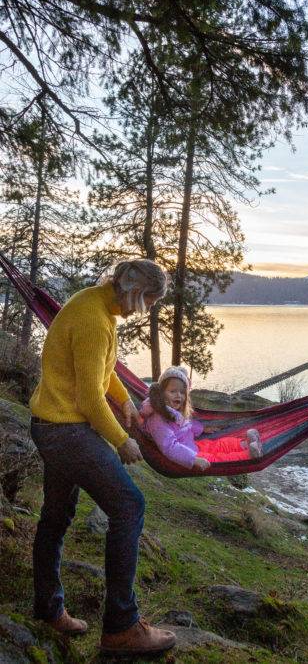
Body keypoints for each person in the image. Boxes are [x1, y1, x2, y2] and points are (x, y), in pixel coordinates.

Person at [29, 259, 176, 656]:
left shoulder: (96, 307)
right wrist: (119, 440)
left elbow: (102, 372)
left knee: (55, 518)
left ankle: (47, 608)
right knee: (129, 506)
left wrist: (126, 400)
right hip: (67, 431)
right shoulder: (95, 318)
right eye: (145, 298)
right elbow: (90, 397)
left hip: (50, 425)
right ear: (131, 287)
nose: (142, 308)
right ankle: (122, 628)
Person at [140, 366, 263, 470]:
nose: (178, 395)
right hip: (186, 455)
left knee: (217, 445)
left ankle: (245, 443)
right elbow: (169, 447)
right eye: (173, 391)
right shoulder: (157, 419)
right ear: (161, 393)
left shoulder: (173, 411)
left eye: (182, 392)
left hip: (192, 445)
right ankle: (247, 455)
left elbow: (187, 424)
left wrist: (203, 428)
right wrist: (193, 459)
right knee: (216, 459)